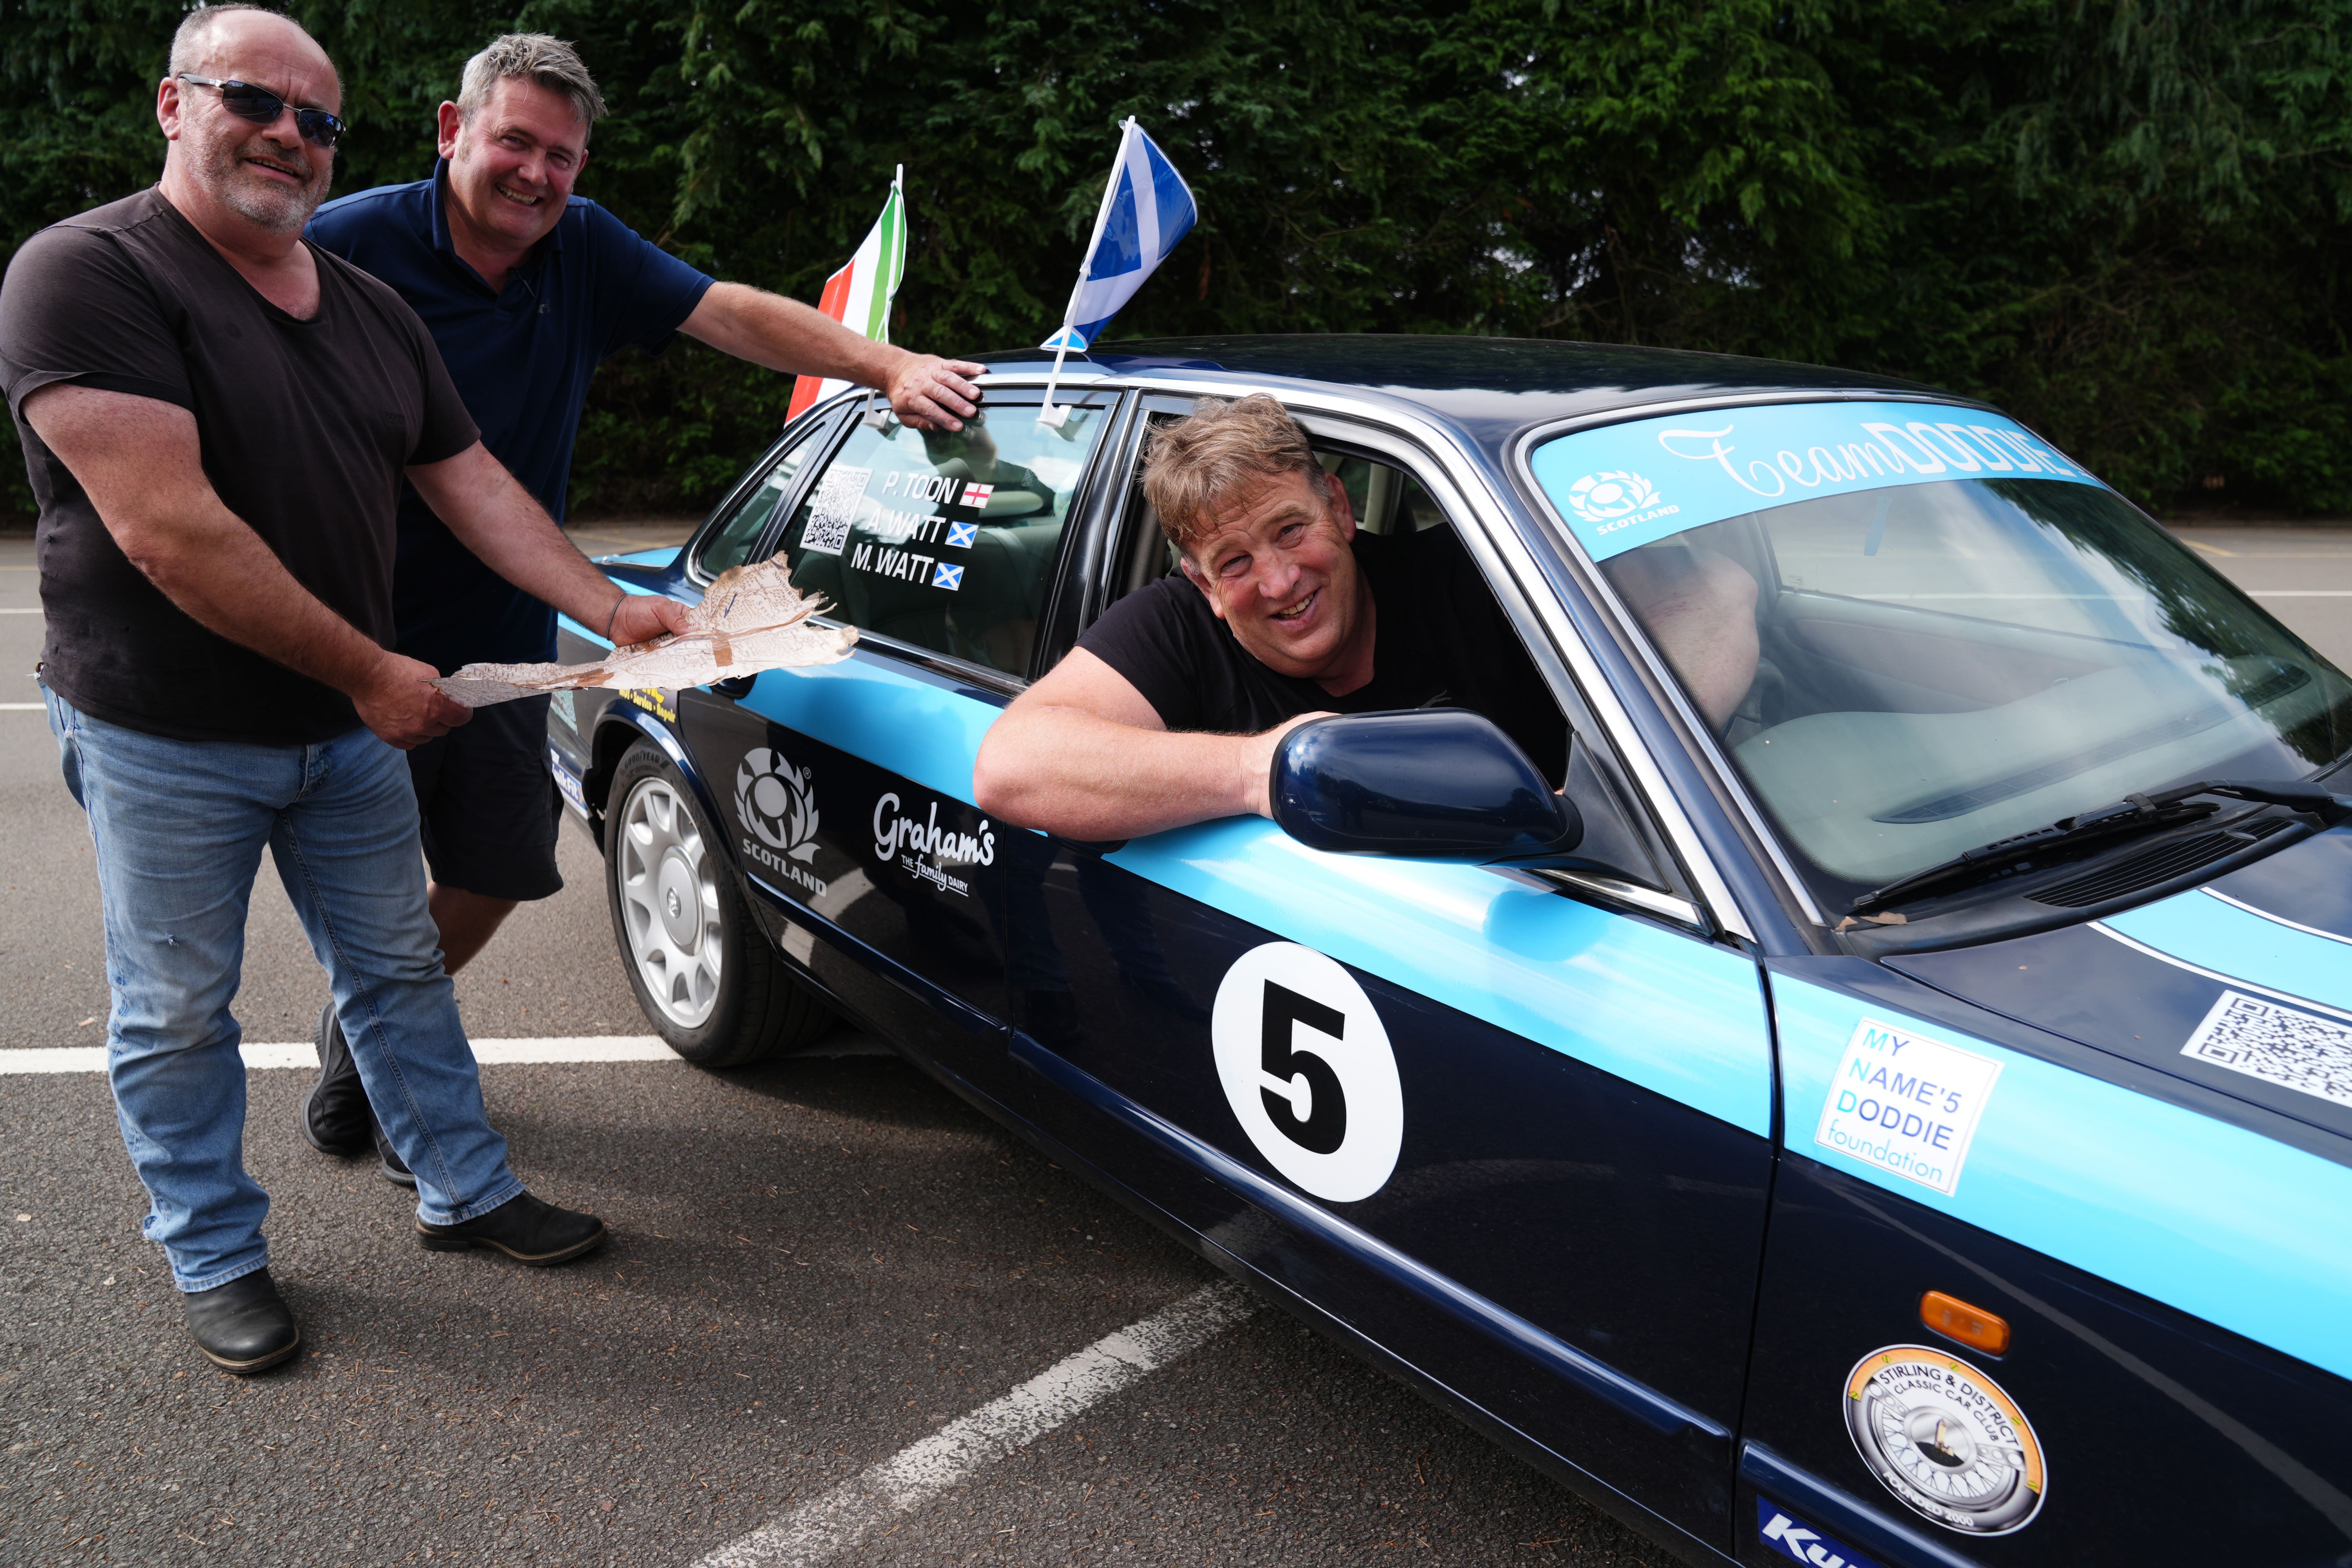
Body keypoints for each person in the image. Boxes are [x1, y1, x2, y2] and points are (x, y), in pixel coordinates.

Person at [0, 5, 694, 1374]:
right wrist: (375, 670)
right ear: (173, 106)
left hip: (340, 730)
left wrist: (612, 607)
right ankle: (213, 1254)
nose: (292, 138)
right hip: (166, 731)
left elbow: (475, 483)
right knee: (179, 1008)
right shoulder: (86, 273)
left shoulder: (368, 308)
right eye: (256, 101)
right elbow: (167, 529)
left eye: (319, 121)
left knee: (394, 972)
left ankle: (466, 1190)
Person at [297, 33, 987, 1179]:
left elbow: (728, 313)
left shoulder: (581, 246)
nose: (538, 175)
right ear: (450, 129)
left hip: (510, 625)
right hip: (355, 626)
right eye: (515, 141)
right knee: (364, 883)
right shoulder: (346, 245)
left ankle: (362, 1017)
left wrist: (884, 365)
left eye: (563, 157)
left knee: (499, 863)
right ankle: (379, 1064)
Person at [973, 395, 1572, 840]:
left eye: (1291, 529)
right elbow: (1011, 766)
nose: (1280, 581)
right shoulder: (1180, 625)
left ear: (1339, 509)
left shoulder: (1482, 581)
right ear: (1204, 583)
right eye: (1234, 561)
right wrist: (1260, 769)